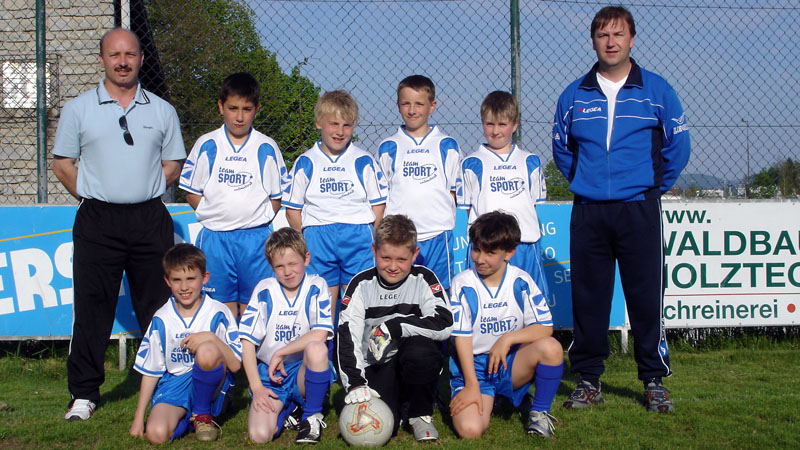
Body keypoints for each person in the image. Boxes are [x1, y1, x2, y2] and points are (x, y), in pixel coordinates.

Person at [552, 6, 691, 413]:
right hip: (590, 211)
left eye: (618, 34)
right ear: (593, 41)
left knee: (646, 298)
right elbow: (563, 150)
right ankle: (588, 380)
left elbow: (678, 147)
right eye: (602, 35)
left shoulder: (657, 90)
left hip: (639, 209)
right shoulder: (573, 95)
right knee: (589, 299)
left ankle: (653, 381)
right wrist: (591, 183)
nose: (610, 42)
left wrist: (648, 187)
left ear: (631, 39)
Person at [52, 27, 186, 421]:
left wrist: (143, 190)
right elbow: (63, 164)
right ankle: (83, 394)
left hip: (149, 218)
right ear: (102, 60)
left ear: (141, 59)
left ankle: (169, 384)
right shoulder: (78, 108)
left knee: (159, 307)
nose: (123, 62)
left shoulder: (162, 110)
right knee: (92, 308)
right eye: (115, 55)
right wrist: (95, 195)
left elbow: (173, 163)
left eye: (130, 55)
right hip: (98, 220)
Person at [179, 72, 288, 321]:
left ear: (257, 109)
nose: (239, 117)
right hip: (216, 239)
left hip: (255, 240)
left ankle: (252, 348)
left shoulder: (266, 147)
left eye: (246, 109)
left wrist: (256, 219)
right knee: (219, 306)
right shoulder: (207, 144)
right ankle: (226, 347)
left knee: (256, 305)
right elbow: (191, 191)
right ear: (221, 107)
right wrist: (214, 215)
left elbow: (276, 197)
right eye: (233, 108)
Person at [334, 214, 453, 442]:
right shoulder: (360, 284)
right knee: (387, 422)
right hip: (376, 365)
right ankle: (400, 406)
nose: (393, 266)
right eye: (385, 258)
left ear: (415, 254)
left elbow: (444, 323)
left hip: (411, 358)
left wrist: (396, 326)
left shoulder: (424, 278)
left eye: (401, 259)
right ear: (374, 250)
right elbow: (347, 337)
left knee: (422, 351)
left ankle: (420, 413)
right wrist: (356, 383)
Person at [449, 211, 563, 439]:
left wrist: (508, 339)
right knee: (470, 431)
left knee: (551, 348)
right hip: (475, 370)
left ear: (509, 253)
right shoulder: (463, 284)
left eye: (490, 253)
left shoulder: (521, 280)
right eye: (476, 249)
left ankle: (539, 412)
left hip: (509, 363)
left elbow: (545, 327)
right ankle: (496, 397)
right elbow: (461, 338)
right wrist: (471, 385)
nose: (480, 259)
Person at [282, 90, 387, 322]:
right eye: (334, 124)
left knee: (358, 304)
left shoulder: (364, 160)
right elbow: (292, 210)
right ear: (319, 123)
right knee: (322, 304)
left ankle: (356, 345)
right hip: (318, 237)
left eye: (346, 125)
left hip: (357, 236)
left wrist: (371, 235)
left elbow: (378, 205)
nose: (340, 131)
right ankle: (325, 344)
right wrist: (305, 238)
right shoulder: (305, 161)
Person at [129, 244, 242, 443]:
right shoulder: (162, 318)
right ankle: (189, 421)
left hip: (212, 383)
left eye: (191, 279)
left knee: (207, 350)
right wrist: (138, 418)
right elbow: (151, 371)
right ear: (167, 281)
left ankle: (202, 414)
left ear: (204, 278)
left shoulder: (218, 312)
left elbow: (235, 365)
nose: (184, 287)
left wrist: (211, 337)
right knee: (156, 434)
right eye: (177, 280)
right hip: (175, 384)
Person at [238, 228, 335, 444]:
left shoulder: (316, 285)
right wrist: (257, 388)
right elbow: (247, 342)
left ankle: (311, 416)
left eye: (293, 263)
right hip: (271, 375)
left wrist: (281, 352)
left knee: (317, 348)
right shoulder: (264, 290)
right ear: (271, 266)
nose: (287, 271)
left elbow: (320, 333)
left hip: (302, 371)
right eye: (279, 266)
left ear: (306, 259)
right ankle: (290, 408)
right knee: (260, 435)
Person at [458, 91, 550, 303]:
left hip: (524, 245)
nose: (495, 131)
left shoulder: (530, 161)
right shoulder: (471, 163)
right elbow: (467, 208)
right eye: (489, 124)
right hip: (487, 247)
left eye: (502, 124)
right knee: (484, 301)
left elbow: (535, 204)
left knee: (531, 301)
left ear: (515, 124)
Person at [377, 75, 461, 290]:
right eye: (406, 103)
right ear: (398, 105)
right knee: (400, 293)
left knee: (439, 293)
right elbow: (382, 196)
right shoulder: (388, 147)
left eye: (419, 104)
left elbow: (454, 192)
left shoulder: (447, 145)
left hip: (437, 235)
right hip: (400, 239)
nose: (412, 110)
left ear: (432, 106)